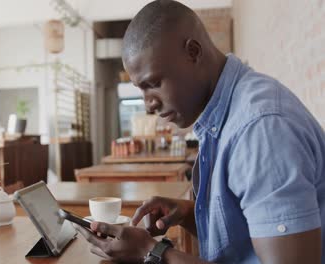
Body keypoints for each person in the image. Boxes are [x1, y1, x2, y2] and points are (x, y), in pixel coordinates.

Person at [75, 1, 325, 263]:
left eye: (154, 83)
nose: (149, 104)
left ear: (193, 52)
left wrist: (151, 252)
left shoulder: (260, 131)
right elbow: (247, 233)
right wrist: (187, 213)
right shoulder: (228, 112)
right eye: (142, 89)